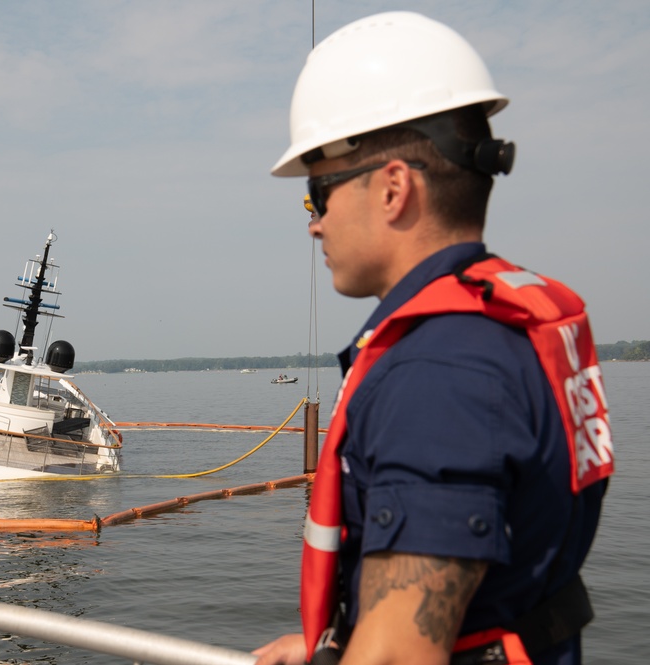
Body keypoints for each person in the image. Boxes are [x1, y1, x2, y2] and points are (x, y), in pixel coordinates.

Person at [253, 11, 612, 665]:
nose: (312, 223)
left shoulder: (440, 372)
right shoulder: (496, 325)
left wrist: (374, 642)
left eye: (317, 193)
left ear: (393, 188)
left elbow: (400, 654)